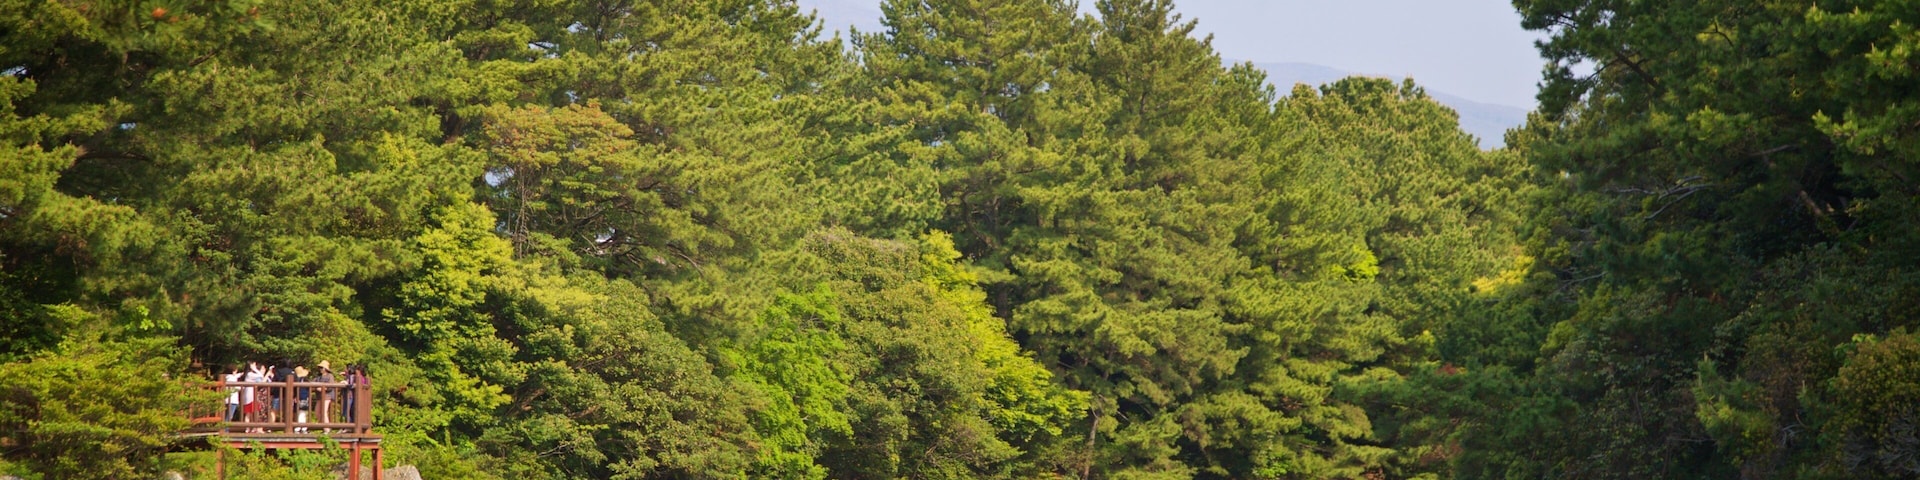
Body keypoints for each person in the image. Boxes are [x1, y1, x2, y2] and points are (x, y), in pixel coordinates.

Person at [242, 362, 267, 432]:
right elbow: (261, 376)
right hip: (250, 397)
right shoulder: (250, 374)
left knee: (252, 412)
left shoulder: (249, 374)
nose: (255, 366)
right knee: (248, 413)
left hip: (251, 396)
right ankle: (247, 428)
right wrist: (255, 369)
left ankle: (253, 428)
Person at [316, 361, 337, 431]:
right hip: (319, 396)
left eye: (321, 368)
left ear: (325, 368)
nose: (320, 369)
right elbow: (313, 382)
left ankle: (327, 428)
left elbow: (331, 386)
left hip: (327, 395)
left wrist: (322, 389)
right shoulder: (319, 376)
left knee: (324, 411)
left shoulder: (330, 376)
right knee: (317, 411)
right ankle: (322, 426)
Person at [292, 365, 311, 433]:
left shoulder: (297, 380)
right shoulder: (305, 380)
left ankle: (298, 428)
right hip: (304, 398)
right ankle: (302, 428)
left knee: (299, 413)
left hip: (299, 398)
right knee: (302, 413)